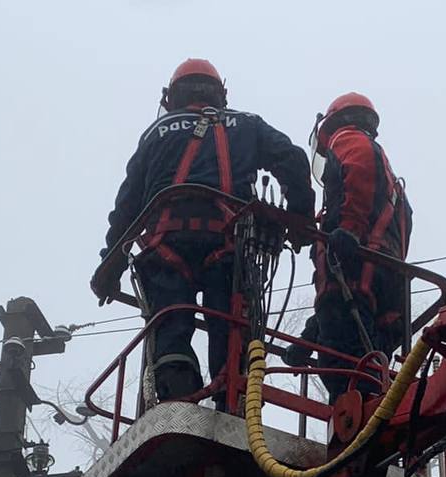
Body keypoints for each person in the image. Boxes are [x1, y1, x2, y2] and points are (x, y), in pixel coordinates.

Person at [92, 59, 315, 405]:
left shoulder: (156, 132)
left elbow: (127, 206)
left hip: (167, 247)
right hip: (228, 246)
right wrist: (300, 218)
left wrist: (111, 265)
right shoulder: (248, 124)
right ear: (221, 94)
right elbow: (294, 160)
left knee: (170, 326)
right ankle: (231, 403)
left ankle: (177, 399)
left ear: (171, 97)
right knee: (231, 331)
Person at [287, 92, 413, 402]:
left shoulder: (348, 140)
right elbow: (339, 308)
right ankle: (361, 430)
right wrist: (310, 339)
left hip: (357, 278)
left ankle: (353, 435)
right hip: (382, 291)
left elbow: (357, 173)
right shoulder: (393, 189)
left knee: (345, 372)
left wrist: (349, 230)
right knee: (364, 364)